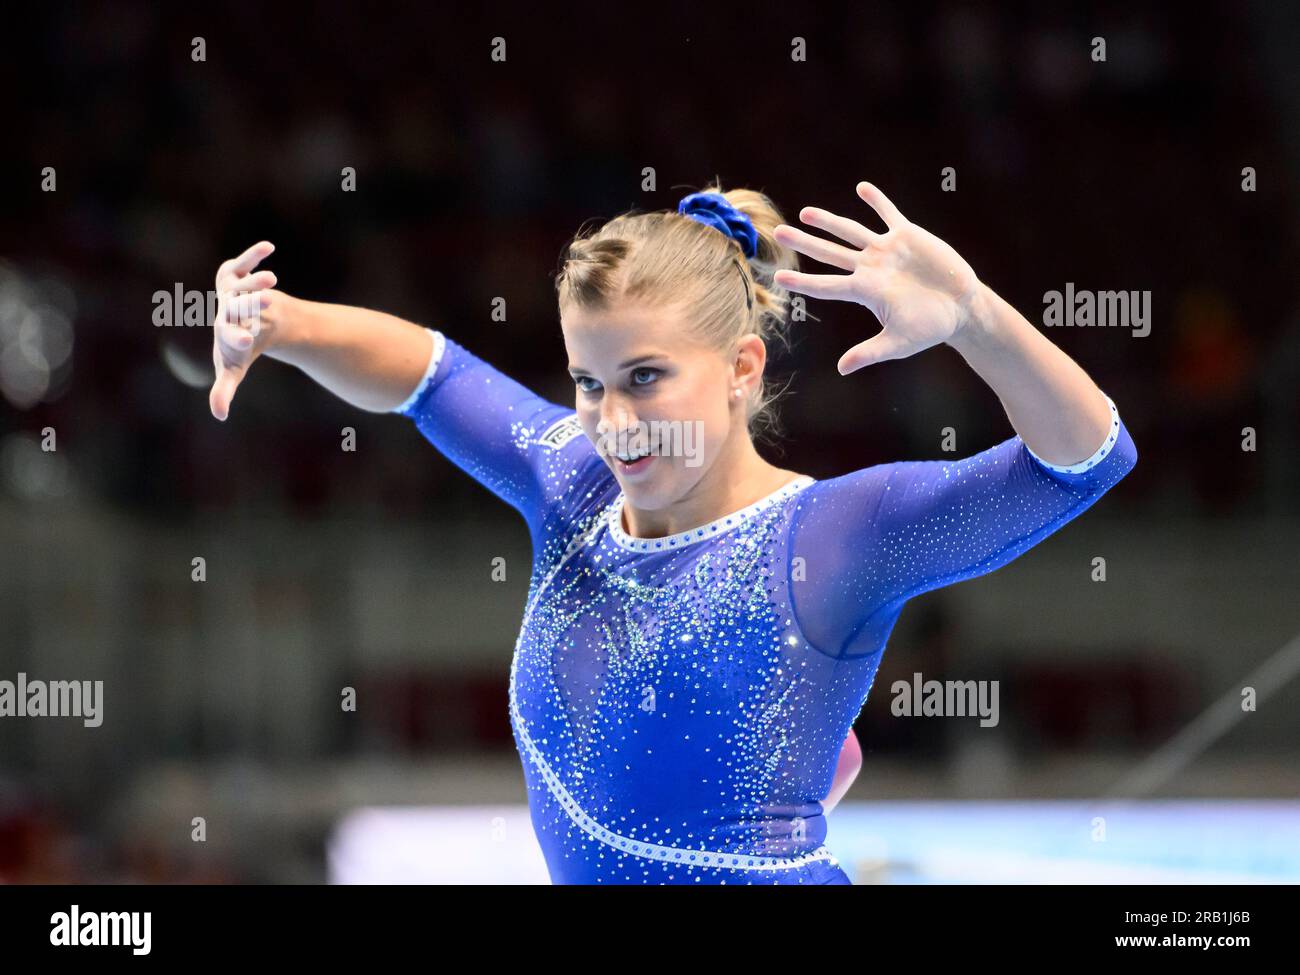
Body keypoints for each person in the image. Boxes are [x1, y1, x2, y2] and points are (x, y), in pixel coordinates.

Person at [207, 181, 1136, 884]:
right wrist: (282, 322)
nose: (610, 420)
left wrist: (976, 319)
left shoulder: (828, 539)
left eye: (646, 377)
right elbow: (431, 375)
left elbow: (1086, 458)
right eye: (588, 380)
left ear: (741, 367)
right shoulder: (569, 484)